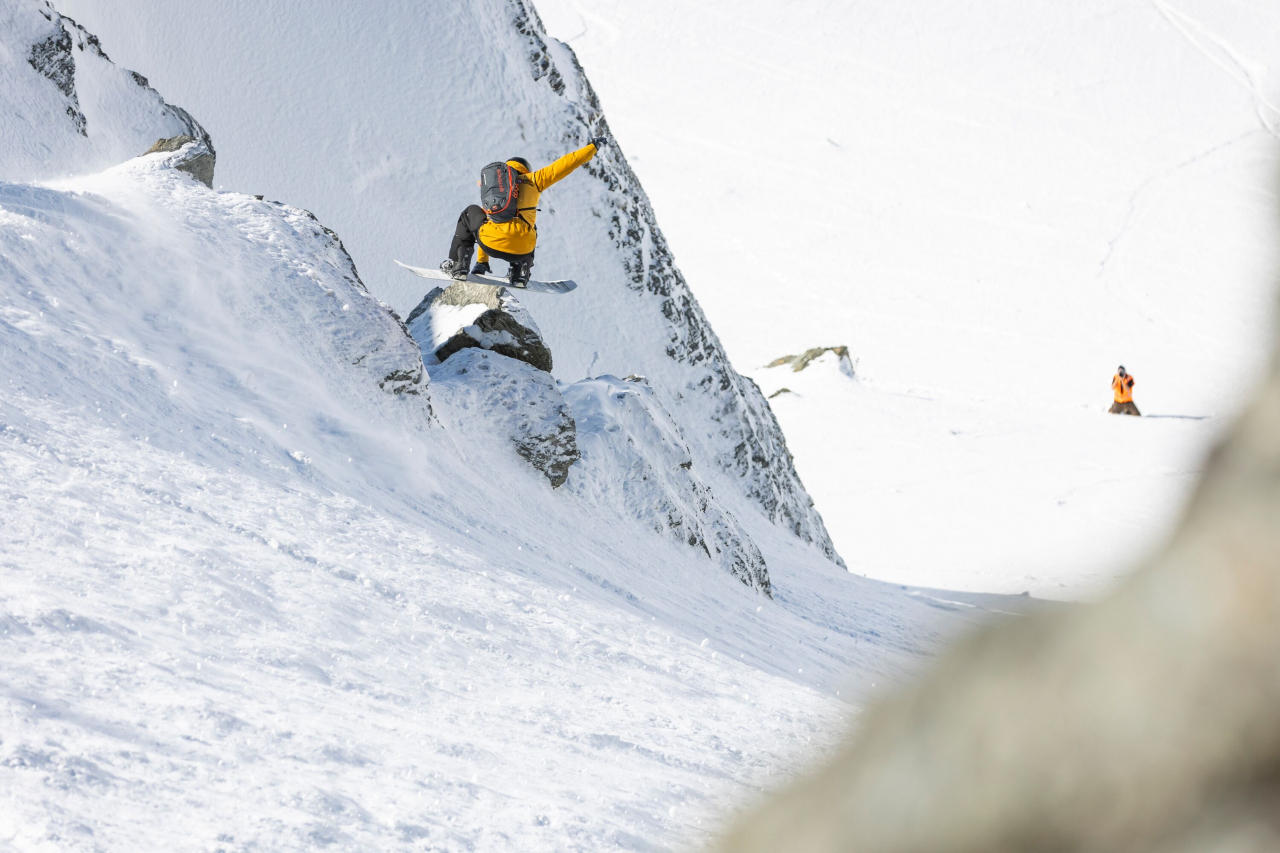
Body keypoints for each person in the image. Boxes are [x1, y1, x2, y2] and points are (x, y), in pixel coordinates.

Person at [441, 137, 608, 286]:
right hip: (521, 250)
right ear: (526, 169)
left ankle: (459, 266)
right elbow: (566, 163)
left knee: (470, 214)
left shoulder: (496, 190)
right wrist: (592, 147)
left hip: (490, 244)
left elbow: (490, 222)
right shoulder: (535, 180)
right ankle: (520, 273)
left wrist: (482, 262)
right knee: (531, 228)